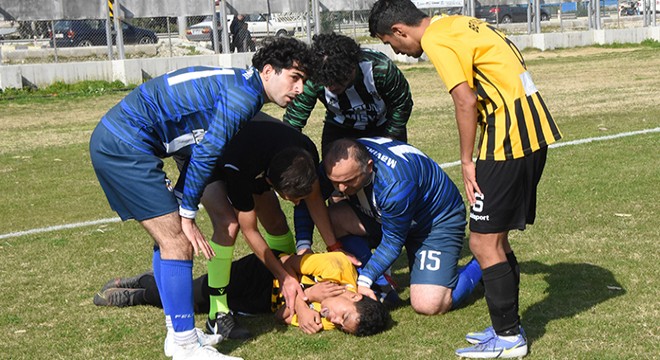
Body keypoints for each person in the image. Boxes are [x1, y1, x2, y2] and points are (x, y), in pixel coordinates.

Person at [89, 37, 313, 360]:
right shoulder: (243, 97)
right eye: (295, 78)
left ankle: (176, 332)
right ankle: (184, 346)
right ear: (268, 71)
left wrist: (182, 201)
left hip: (126, 140)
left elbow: (199, 148)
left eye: (304, 81)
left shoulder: (242, 87)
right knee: (177, 241)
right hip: (123, 145)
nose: (301, 89)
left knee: (167, 239)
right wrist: (188, 211)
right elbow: (207, 152)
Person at [367, 1, 563, 358]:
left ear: (399, 30)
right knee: (494, 240)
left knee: (483, 243)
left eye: (390, 42)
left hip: (508, 139)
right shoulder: (456, 24)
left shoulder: (436, 41)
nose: (396, 50)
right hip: (531, 128)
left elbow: (465, 100)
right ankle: (508, 327)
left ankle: (508, 338)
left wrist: (465, 160)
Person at [174, 113, 349, 340]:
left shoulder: (304, 151)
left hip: (255, 148)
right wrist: (286, 279)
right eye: (291, 198)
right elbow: (250, 230)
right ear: (269, 182)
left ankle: (279, 276)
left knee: (276, 221)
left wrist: (334, 247)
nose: (296, 203)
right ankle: (218, 313)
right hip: (207, 151)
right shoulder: (241, 167)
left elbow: (314, 197)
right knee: (228, 224)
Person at [319, 138, 482, 317]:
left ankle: (485, 260)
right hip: (387, 215)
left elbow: (393, 241)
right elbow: (309, 199)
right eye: (335, 182)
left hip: (433, 222)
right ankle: (382, 284)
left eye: (349, 181)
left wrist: (364, 281)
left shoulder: (395, 185)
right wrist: (303, 244)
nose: (341, 188)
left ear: (369, 166)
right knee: (331, 219)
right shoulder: (337, 163)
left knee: (429, 303)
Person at [94, 251, 391, 337]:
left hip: (260, 302)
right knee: (191, 294)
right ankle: (139, 290)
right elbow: (289, 262)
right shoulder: (335, 266)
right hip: (262, 271)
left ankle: (142, 289)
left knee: (195, 303)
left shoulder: (326, 321)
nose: (334, 320)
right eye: (344, 316)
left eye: (340, 326)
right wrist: (306, 295)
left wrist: (305, 300)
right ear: (354, 296)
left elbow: (280, 314)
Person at [283, 32, 413, 155]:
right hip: (340, 127)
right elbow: (294, 120)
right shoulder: (314, 78)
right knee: (335, 171)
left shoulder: (380, 69)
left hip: (383, 124)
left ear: (352, 68)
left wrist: (390, 138)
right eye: (326, 82)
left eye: (337, 80)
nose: (331, 87)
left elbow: (401, 104)